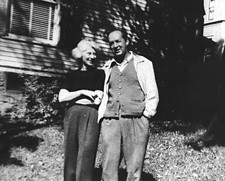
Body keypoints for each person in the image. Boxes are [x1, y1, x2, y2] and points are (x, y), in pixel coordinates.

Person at [98, 28, 159, 181]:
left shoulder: (143, 63)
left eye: (118, 41)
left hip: (136, 120)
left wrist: (146, 115)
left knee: (134, 165)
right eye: (111, 43)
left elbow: (152, 93)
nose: (115, 45)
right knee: (108, 164)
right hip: (111, 120)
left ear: (127, 42)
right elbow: (105, 93)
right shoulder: (108, 66)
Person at [58, 39, 105, 181]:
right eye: (88, 53)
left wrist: (73, 97)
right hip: (72, 114)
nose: (92, 57)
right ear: (80, 54)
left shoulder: (99, 74)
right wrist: (83, 92)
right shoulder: (71, 74)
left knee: (87, 151)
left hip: (91, 114)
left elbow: (97, 98)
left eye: (94, 54)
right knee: (70, 150)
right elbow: (61, 97)